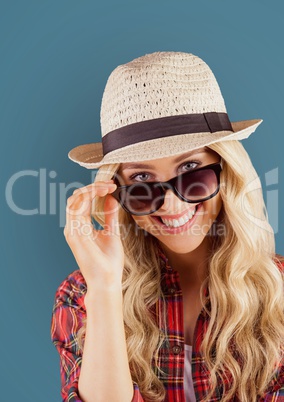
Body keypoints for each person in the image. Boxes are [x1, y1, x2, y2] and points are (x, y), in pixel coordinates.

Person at [51, 51, 284, 402]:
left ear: (227, 172)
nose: (171, 204)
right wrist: (105, 288)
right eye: (142, 179)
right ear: (116, 192)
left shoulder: (279, 291)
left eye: (192, 170)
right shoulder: (81, 297)